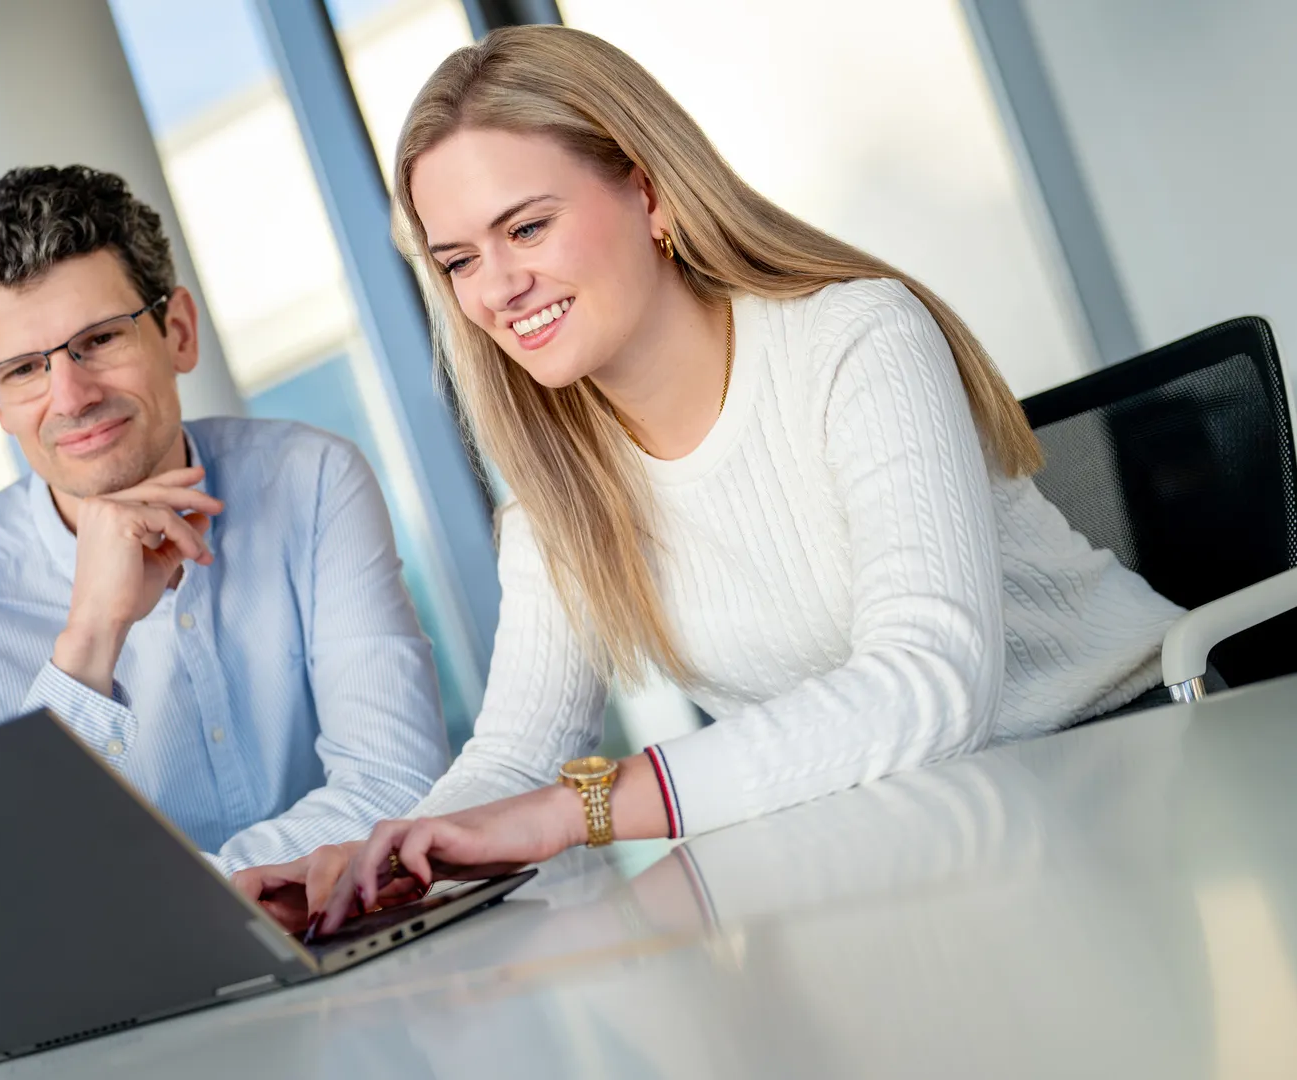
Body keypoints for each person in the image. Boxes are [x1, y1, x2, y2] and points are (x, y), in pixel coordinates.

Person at [234, 26, 1185, 933]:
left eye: (526, 227)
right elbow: (516, 756)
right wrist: (387, 862)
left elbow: (930, 683)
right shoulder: (557, 495)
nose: (496, 288)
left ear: (651, 197)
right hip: (925, 841)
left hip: (1145, 773)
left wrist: (585, 807)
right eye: (459, 262)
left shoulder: (854, 339)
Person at [0, 165, 451, 874]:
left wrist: (194, 903)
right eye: (23, 371)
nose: (71, 396)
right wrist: (90, 638)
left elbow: (396, 781)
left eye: (101, 340)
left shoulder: (312, 481)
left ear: (177, 332)